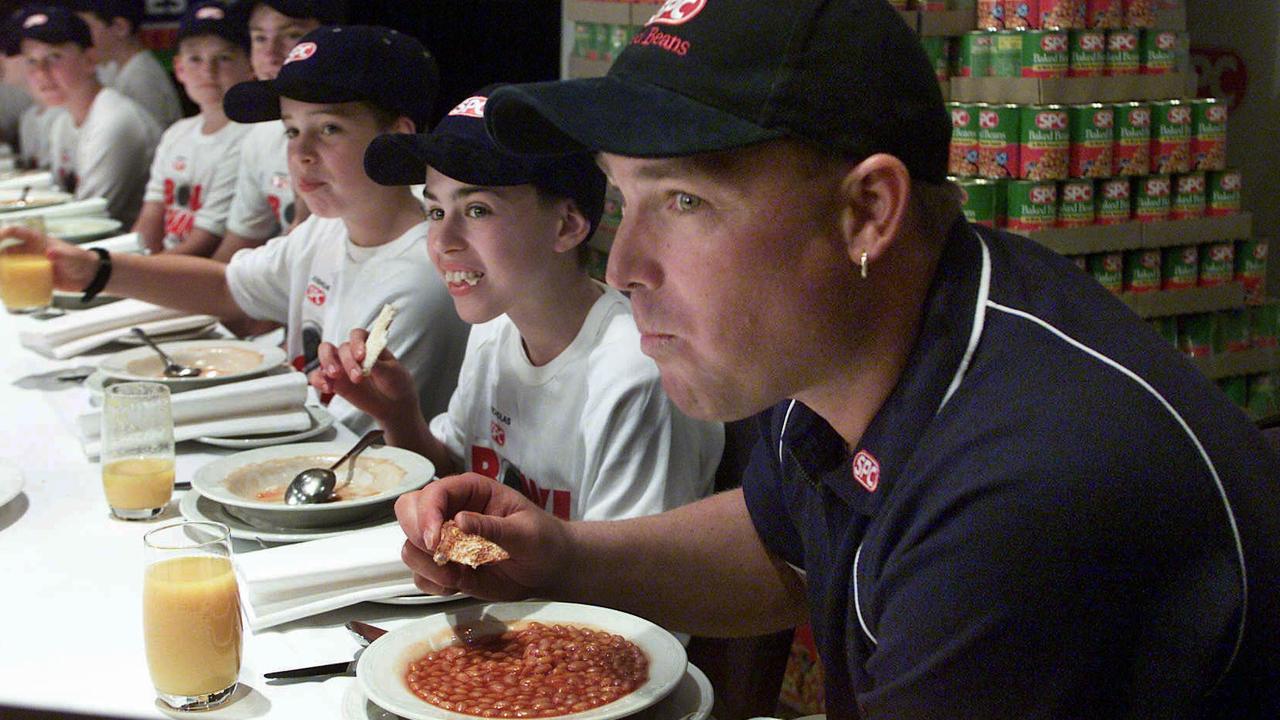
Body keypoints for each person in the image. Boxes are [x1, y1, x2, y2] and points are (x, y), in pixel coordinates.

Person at [392, 1, 1280, 717]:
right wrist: (560, 557)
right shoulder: (845, 335)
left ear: (866, 212)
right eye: (625, 197)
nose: (623, 269)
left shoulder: (1030, 484)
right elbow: (782, 547)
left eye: (685, 200)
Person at [5, 25, 469, 434]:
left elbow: (351, 439)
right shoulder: (327, 231)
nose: (301, 153)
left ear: (399, 136)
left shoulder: (418, 278)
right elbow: (230, 286)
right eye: (290, 130)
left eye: (328, 129)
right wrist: (93, 270)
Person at [312, 85, 723, 521]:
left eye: (477, 210)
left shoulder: (634, 375)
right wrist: (397, 413)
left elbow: (635, 576)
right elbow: (453, 475)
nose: (442, 241)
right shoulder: (494, 327)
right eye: (435, 211)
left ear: (567, 225)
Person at [209, 0, 341, 264]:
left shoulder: (361, 137)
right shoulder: (260, 135)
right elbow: (235, 252)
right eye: (259, 38)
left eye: (292, 35)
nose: (270, 54)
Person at [17, 5, 160, 226]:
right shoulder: (62, 121)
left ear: (90, 60)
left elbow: (91, 219)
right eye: (31, 61)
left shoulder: (113, 120)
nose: (41, 73)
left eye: (54, 57)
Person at [132, 0, 253, 256]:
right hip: (164, 265)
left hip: (203, 273)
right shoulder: (177, 133)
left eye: (224, 58)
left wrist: (139, 273)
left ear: (250, 66)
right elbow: (151, 216)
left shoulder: (250, 136)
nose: (208, 71)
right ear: (179, 68)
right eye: (195, 58)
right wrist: (131, 260)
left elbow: (207, 241)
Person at [69, 0, 182, 129]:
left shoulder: (142, 78)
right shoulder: (115, 68)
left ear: (120, 27)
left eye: (86, 29)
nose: (81, 39)